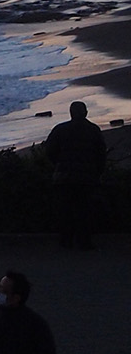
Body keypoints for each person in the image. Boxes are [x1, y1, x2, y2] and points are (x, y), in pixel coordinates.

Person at [41, 100, 108, 249]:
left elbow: (49, 151)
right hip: (87, 177)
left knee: (65, 210)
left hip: (63, 177)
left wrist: (58, 164)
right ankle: (84, 241)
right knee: (84, 210)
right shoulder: (93, 130)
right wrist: (98, 172)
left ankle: (66, 241)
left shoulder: (60, 129)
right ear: (85, 113)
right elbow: (101, 154)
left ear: (71, 113)